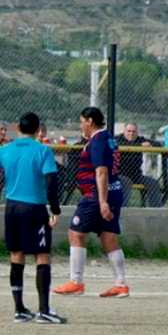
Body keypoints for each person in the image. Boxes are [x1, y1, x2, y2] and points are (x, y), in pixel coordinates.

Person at [0, 112, 66, 324]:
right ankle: (44, 310)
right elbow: (52, 182)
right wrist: (55, 209)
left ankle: (19, 309)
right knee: (42, 255)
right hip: (34, 208)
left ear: (18, 128)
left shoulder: (6, 150)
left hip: (12, 208)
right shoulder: (43, 150)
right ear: (38, 131)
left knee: (16, 255)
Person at [54, 107, 130, 298]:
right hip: (114, 192)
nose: (81, 125)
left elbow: (101, 171)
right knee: (108, 236)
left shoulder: (97, 141)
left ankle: (76, 282)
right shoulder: (110, 139)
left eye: (82, 121)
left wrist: (102, 201)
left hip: (96, 196)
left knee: (76, 233)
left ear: (89, 121)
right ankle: (120, 284)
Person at [115, 123, 162, 207]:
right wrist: (139, 145)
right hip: (120, 174)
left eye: (134, 131)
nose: (131, 133)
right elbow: (119, 144)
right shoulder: (117, 139)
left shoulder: (140, 139)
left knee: (153, 183)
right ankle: (122, 210)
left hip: (136, 175)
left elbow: (158, 144)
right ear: (124, 131)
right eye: (129, 131)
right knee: (126, 182)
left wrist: (150, 144)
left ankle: (156, 211)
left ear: (137, 132)